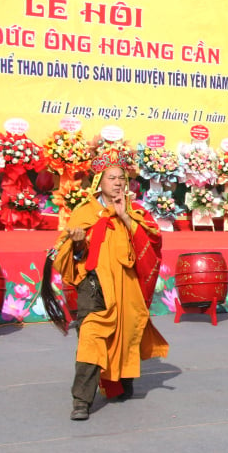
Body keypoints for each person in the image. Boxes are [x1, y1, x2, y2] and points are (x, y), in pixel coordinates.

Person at [50, 151, 168, 420]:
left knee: (125, 336)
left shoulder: (136, 212)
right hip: (94, 287)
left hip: (127, 287)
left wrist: (124, 216)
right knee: (90, 340)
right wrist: (78, 243)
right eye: (111, 178)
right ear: (99, 182)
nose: (117, 183)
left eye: (121, 178)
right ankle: (81, 400)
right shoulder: (84, 213)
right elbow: (67, 253)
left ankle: (121, 381)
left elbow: (153, 243)